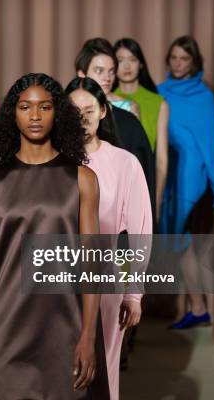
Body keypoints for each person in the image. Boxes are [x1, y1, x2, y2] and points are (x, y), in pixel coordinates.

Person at [0, 73, 109, 399]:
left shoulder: (83, 180)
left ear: (58, 113)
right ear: (11, 115)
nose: (34, 116)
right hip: (4, 327)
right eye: (25, 107)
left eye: (44, 107)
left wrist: (88, 336)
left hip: (63, 326)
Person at [66, 77, 152, 400]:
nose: (83, 118)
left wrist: (133, 293)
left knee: (102, 373)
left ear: (103, 111)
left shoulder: (125, 164)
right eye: (74, 111)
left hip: (106, 284)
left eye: (90, 110)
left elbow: (139, 232)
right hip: (56, 281)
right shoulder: (53, 162)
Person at [158, 36, 214, 329]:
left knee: (183, 244)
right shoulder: (160, 92)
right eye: (174, 58)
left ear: (194, 62)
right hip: (166, 177)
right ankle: (198, 307)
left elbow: (211, 143)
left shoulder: (203, 96)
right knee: (177, 244)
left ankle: (198, 307)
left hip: (193, 181)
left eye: (185, 59)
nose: (179, 64)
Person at [75, 38, 156, 217]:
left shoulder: (128, 116)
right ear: (81, 74)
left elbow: (139, 167)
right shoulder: (65, 116)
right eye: (99, 71)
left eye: (111, 71)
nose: (107, 78)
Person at [114, 37, 169, 221]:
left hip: (145, 180)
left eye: (132, 59)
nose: (127, 66)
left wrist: (157, 199)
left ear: (141, 64)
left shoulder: (158, 103)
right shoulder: (105, 100)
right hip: (113, 181)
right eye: (120, 60)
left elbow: (161, 159)